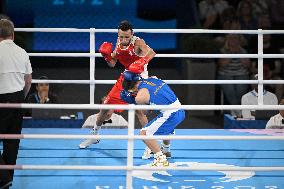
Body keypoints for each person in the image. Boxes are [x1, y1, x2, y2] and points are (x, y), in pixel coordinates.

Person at [79, 20, 156, 148]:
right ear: (118, 35)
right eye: (121, 36)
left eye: (127, 37)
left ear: (132, 34)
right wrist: (107, 56)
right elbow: (113, 63)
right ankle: (94, 135)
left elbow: (151, 52)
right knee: (105, 107)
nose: (124, 39)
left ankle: (150, 145)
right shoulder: (118, 42)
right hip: (126, 77)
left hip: (139, 78)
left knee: (139, 112)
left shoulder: (138, 42)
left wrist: (141, 62)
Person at [120, 71, 185, 167]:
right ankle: (166, 150)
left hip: (171, 114)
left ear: (132, 88)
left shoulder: (140, 97)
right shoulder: (153, 78)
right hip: (179, 109)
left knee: (144, 133)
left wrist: (134, 101)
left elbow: (147, 112)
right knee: (166, 128)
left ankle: (160, 159)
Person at [0, 19, 32, 188]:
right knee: (12, 140)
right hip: (18, 98)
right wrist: (22, 98)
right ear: (12, 35)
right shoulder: (22, 52)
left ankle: (3, 177)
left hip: (1, 98)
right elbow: (28, 81)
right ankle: (7, 178)